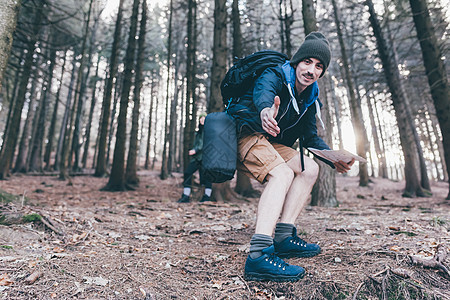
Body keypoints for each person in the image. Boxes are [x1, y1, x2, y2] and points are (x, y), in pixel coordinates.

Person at [227, 32, 355, 282]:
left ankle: (284, 236)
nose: (311, 70)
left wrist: (333, 157)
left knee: (310, 169)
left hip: (271, 143)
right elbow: (263, 93)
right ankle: (259, 256)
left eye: (319, 66)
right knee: (282, 173)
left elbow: (310, 138)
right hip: (246, 134)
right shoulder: (275, 74)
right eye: (307, 61)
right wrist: (266, 111)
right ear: (297, 61)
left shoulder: (310, 96)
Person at [178, 114, 214, 203]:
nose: (202, 121)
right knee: (187, 173)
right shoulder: (198, 132)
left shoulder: (209, 131)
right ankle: (186, 196)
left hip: (205, 158)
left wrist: (195, 150)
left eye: (204, 120)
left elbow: (204, 144)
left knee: (206, 178)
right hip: (197, 158)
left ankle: (206, 197)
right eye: (201, 120)